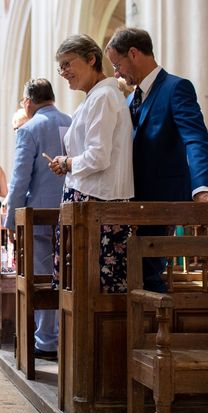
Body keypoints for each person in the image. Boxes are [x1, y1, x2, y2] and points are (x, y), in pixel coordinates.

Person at [105, 27, 208, 292]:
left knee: (149, 275)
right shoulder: (130, 98)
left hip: (163, 200)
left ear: (134, 53)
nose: (116, 73)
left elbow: (195, 138)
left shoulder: (176, 88)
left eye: (117, 65)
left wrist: (201, 188)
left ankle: (152, 330)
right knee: (134, 275)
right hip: (132, 202)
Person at [49, 34, 134, 293]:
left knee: (93, 290)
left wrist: (67, 163)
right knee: (78, 287)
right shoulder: (94, 97)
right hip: (86, 200)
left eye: (67, 64)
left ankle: (91, 335)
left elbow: (98, 156)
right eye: (60, 66)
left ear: (90, 59)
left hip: (98, 204)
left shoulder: (104, 96)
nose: (63, 72)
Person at [4, 78, 71, 360]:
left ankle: (46, 341)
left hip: (39, 216)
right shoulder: (71, 121)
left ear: (29, 102)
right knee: (69, 276)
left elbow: (19, 180)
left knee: (43, 277)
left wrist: (10, 221)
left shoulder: (29, 128)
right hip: (71, 210)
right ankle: (66, 336)